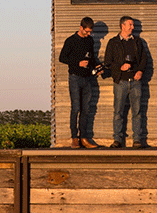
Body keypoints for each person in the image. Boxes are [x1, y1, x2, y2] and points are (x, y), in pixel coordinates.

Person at [104, 16, 147, 148]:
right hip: (120, 82)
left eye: (133, 25)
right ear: (122, 26)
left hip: (135, 82)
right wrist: (119, 67)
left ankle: (137, 140)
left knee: (137, 112)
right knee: (118, 112)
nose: (133, 27)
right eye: (130, 25)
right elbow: (107, 62)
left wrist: (140, 71)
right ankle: (117, 140)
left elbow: (144, 59)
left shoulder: (138, 42)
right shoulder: (113, 42)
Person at [58, 17, 101, 148]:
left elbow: (91, 57)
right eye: (86, 31)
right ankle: (74, 137)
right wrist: (78, 63)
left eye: (90, 32)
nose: (88, 34)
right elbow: (62, 58)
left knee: (86, 109)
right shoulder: (71, 40)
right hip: (75, 77)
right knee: (76, 108)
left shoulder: (89, 40)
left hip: (87, 78)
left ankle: (84, 138)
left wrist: (97, 67)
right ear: (81, 27)